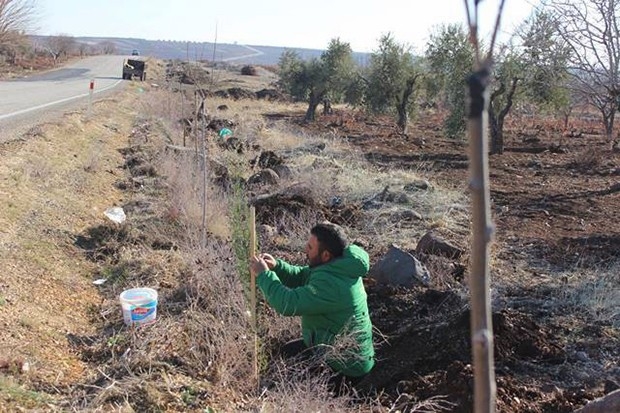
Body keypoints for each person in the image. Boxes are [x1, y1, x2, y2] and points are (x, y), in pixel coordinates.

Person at [249, 222, 375, 384]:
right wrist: (278, 267)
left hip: (345, 370)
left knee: (286, 380)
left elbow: (287, 303)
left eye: (310, 247)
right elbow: (304, 275)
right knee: (286, 353)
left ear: (326, 255)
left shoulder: (331, 284)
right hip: (334, 350)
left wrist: (264, 275)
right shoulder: (339, 265)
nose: (305, 250)